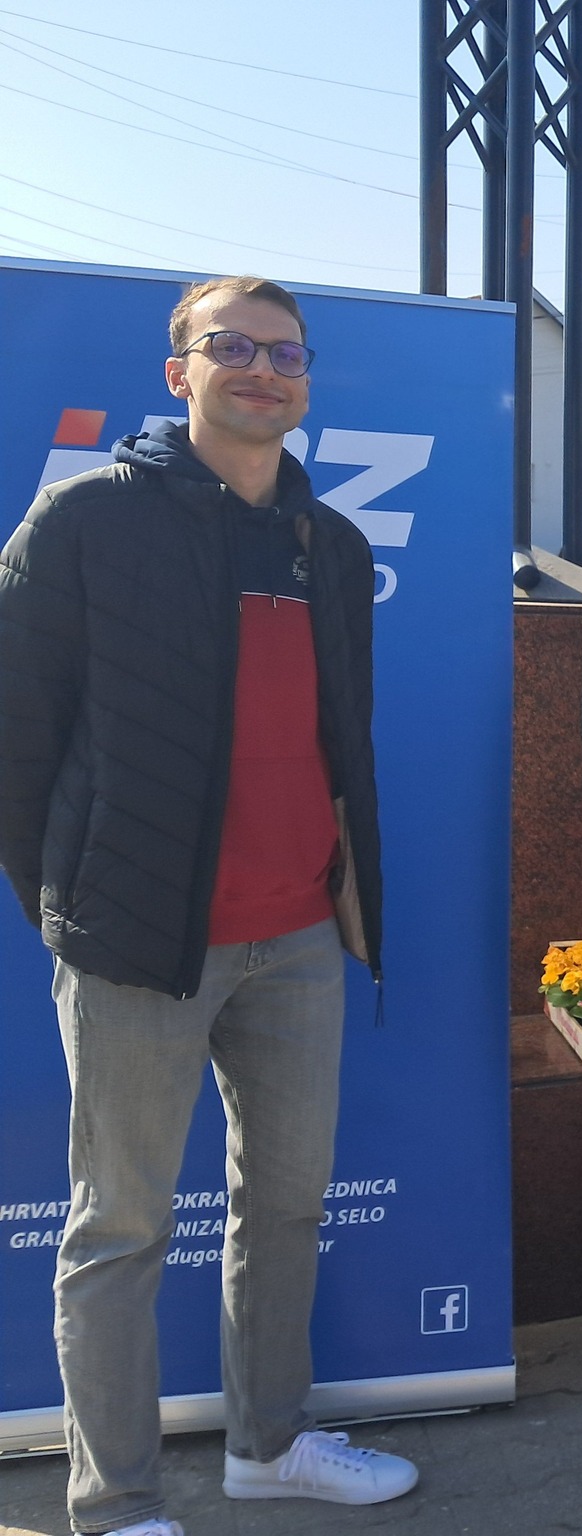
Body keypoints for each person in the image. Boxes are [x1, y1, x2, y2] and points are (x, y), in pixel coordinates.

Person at [0, 276, 415, 1536]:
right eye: (230, 346)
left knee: (283, 1207)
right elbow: (16, 735)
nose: (262, 369)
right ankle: (116, 1504)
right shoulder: (86, 519)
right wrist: (72, 901)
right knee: (119, 1229)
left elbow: (341, 739)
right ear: (177, 371)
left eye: (285, 353)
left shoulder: (329, 545)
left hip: (298, 937)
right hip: (138, 940)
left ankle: (267, 1448)